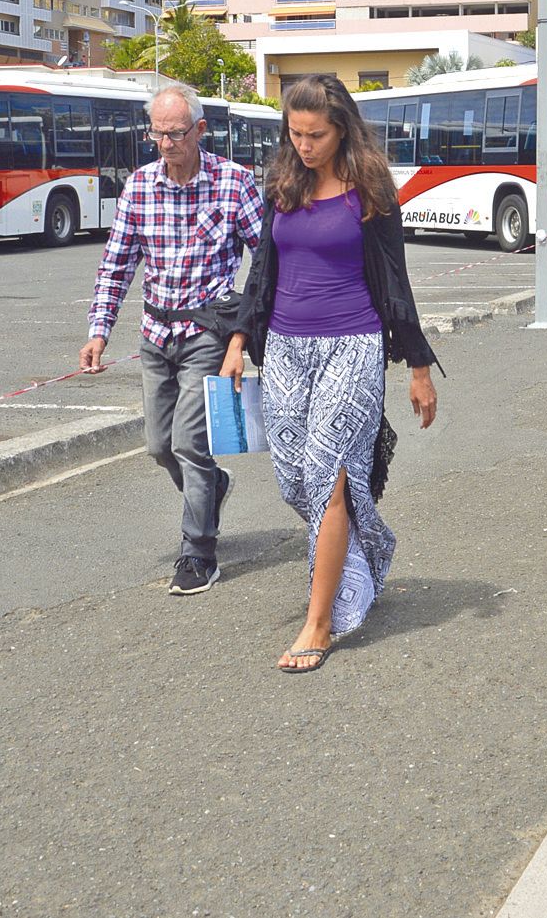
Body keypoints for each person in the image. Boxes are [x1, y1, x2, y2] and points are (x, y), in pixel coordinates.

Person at [224, 74, 439, 673]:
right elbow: (263, 268)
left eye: (315, 134)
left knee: (328, 471)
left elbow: (396, 284)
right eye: (294, 134)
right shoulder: (283, 183)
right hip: (287, 348)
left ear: (342, 129)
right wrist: (239, 339)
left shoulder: (370, 190)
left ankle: (320, 623)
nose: (303, 145)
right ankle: (367, 546)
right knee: (294, 478)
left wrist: (418, 369)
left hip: (353, 345)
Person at [80, 82, 263, 596]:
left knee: (189, 443)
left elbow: (266, 257)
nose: (165, 144)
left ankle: (198, 552)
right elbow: (116, 265)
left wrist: (242, 334)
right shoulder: (139, 187)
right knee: (159, 445)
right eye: (157, 134)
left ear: (200, 131)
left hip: (207, 329)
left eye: (176, 134)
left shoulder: (233, 183)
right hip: (156, 333)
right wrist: (99, 331)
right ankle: (213, 488)